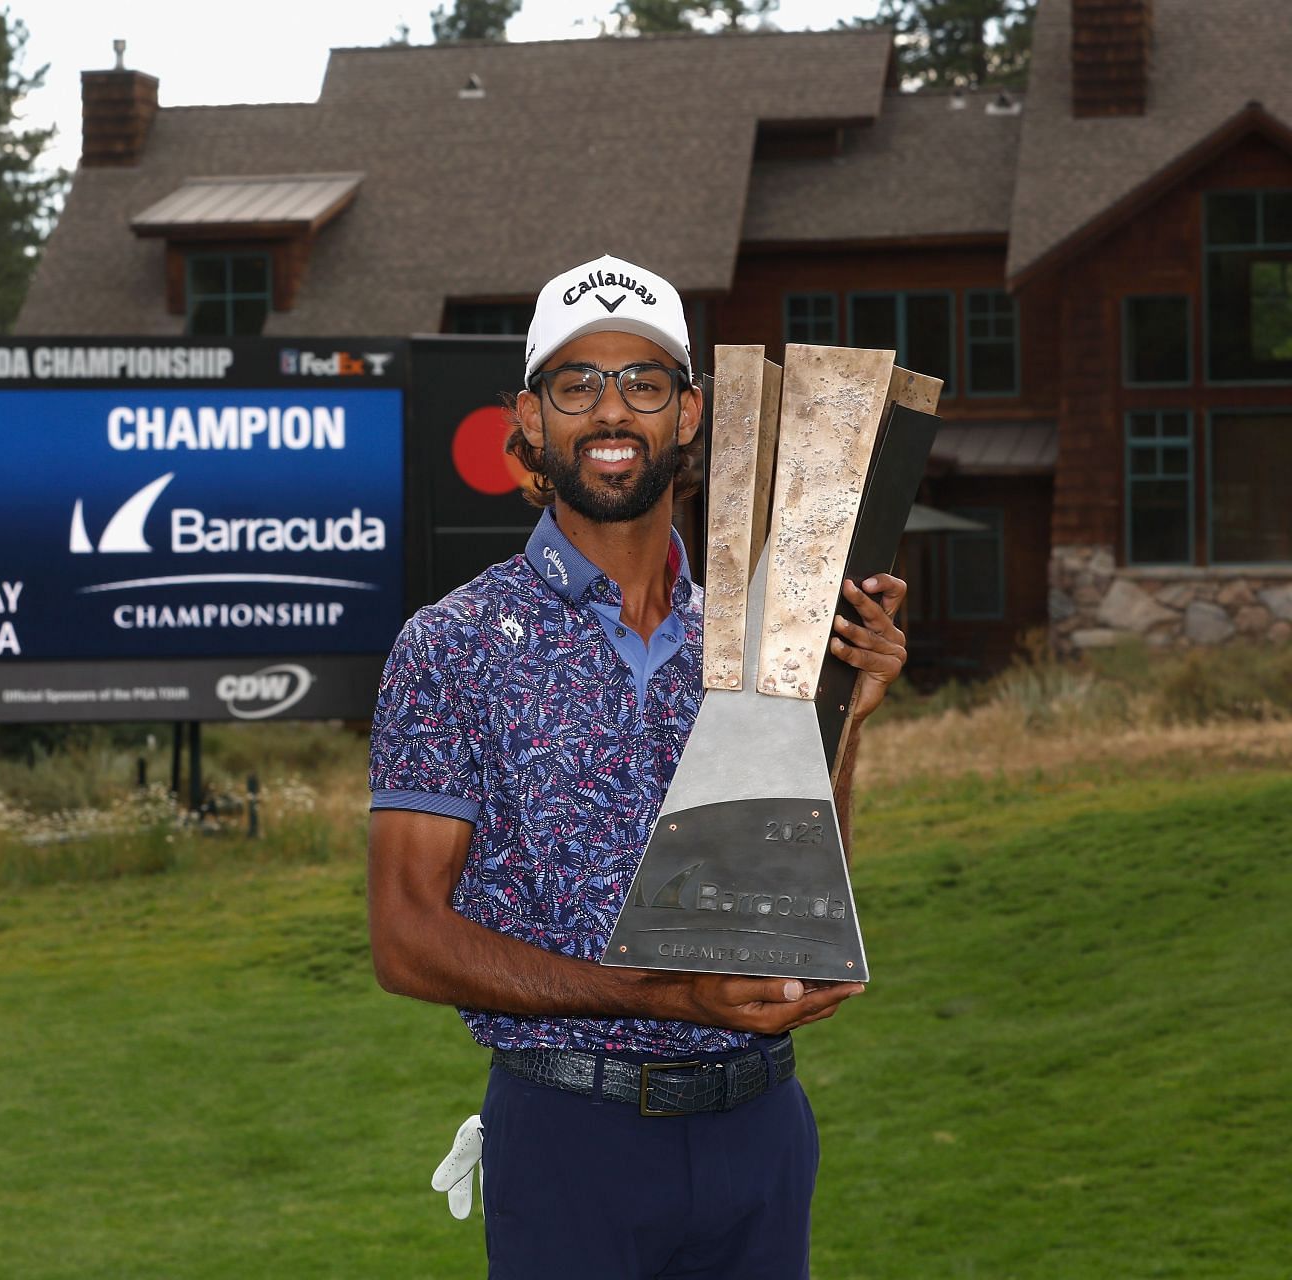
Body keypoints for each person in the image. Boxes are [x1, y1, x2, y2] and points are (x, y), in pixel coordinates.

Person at [367, 254, 909, 1279]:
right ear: (528, 419)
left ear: (691, 414)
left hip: (761, 1128)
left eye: (644, 382)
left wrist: (849, 717)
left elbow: (790, 886)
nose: (610, 409)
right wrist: (657, 996)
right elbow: (405, 937)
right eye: (577, 383)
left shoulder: (756, 636)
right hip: (573, 1133)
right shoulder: (453, 645)